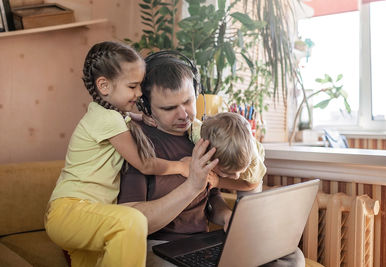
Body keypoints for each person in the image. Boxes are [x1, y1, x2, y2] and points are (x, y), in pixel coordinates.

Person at [118, 52, 305, 266]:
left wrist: (226, 217)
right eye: (169, 108)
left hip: (202, 242)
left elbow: (211, 198)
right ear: (145, 107)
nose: (183, 115)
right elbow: (132, 221)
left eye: (188, 101)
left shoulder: (200, 135)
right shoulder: (135, 143)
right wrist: (191, 186)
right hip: (158, 247)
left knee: (291, 256)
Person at [44, 41, 205, 267]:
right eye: (133, 86)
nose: (139, 94)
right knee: (132, 222)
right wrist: (180, 167)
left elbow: (126, 120)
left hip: (92, 214)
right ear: (104, 86)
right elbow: (145, 165)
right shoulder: (108, 119)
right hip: (71, 211)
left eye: (140, 86)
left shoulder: (111, 116)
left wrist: (141, 117)